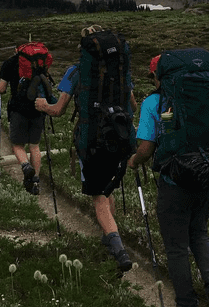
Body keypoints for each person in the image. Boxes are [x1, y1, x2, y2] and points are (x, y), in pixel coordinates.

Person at [127, 54, 209, 307]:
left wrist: (134, 162)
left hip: (174, 181)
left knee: (176, 247)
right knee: (199, 233)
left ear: (158, 77)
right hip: (206, 173)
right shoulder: (204, 93)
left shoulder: (153, 103)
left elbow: (146, 149)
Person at [35, 25, 138, 273]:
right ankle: (109, 234)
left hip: (92, 141)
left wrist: (42, 105)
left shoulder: (76, 72)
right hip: (121, 138)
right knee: (109, 186)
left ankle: (118, 250)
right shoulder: (122, 71)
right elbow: (133, 105)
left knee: (99, 198)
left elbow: (58, 110)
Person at [0, 46, 51, 195]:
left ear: (16, 50)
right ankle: (35, 182)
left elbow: (2, 88)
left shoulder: (9, 63)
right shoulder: (39, 64)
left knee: (17, 144)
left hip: (18, 109)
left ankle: (26, 166)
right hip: (38, 107)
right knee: (35, 146)